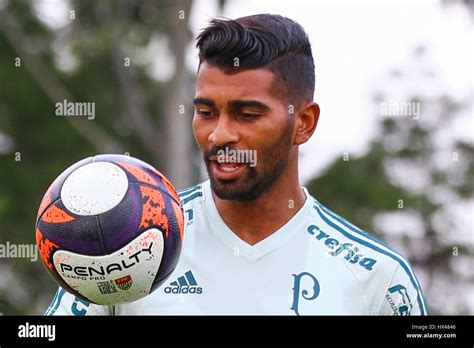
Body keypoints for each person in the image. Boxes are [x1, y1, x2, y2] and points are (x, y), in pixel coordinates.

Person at [45, 14, 428, 315]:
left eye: (247, 114)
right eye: (207, 112)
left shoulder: (376, 277)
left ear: (304, 123)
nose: (219, 135)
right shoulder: (129, 243)